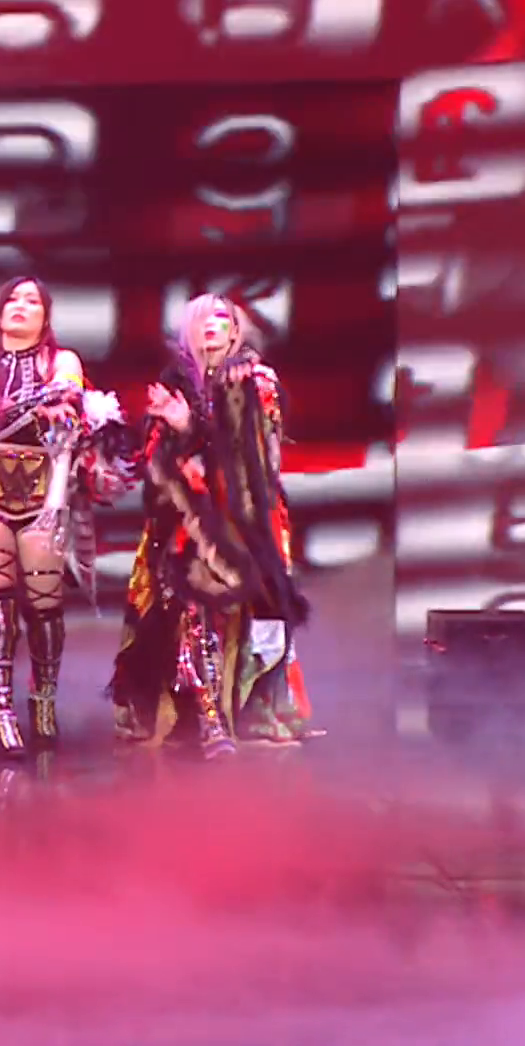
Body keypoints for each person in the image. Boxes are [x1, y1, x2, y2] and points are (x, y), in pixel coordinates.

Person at [107, 293, 319, 757]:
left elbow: (255, 460)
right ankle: (208, 719)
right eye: (201, 317)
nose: (211, 324)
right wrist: (179, 429)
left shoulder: (256, 380)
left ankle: (241, 712)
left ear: (236, 330)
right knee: (191, 610)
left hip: (246, 521)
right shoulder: (174, 383)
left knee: (251, 619)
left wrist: (198, 425)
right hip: (186, 520)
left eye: (221, 317)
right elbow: (157, 462)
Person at [0, 276, 132, 758]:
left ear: (46, 317)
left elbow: (67, 406)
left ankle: (43, 699)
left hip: (42, 498)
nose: (20, 306)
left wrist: (47, 408)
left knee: (45, 611)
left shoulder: (61, 362)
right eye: (12, 299)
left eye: (32, 301)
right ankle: (1, 713)